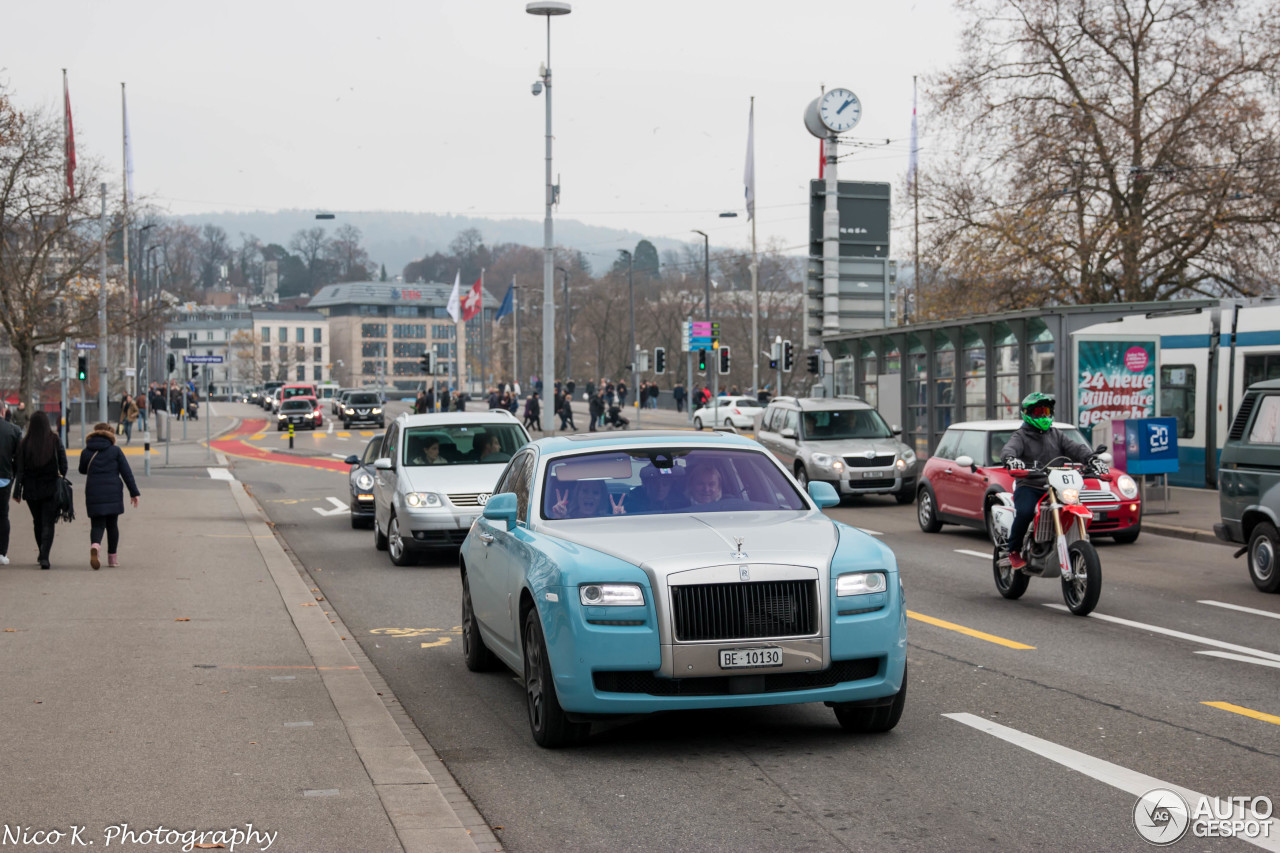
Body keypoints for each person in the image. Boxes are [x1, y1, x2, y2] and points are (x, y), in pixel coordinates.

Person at [1000, 392, 1103, 570]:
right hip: (1030, 485)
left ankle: (1077, 545)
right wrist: (1011, 459)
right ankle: (1014, 550)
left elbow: (1076, 449)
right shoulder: (1021, 436)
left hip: (1056, 487)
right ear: (1028, 413)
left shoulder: (1056, 434)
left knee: (1078, 504)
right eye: (1038, 411)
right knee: (1024, 512)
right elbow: (1009, 450)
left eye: (1046, 411)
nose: (1043, 416)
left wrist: (1092, 459)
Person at [79, 422, 141, 569]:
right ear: (111, 435)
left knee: (97, 524)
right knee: (112, 525)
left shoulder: (86, 451)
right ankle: (112, 559)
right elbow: (126, 473)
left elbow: (82, 470)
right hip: (113, 492)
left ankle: (95, 545)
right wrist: (134, 492)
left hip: (94, 491)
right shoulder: (115, 451)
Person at [12, 410, 67, 569]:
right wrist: (60, 475)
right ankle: (45, 555)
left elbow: (20, 470)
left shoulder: (24, 443)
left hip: (31, 490)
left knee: (37, 521)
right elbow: (63, 464)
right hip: (50, 488)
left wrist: (17, 492)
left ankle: (42, 552)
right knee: (48, 522)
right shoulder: (55, 440)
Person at [0, 410, 21, 565]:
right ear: (3, 411)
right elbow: (19, 457)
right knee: (2, 515)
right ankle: (2, 552)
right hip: (5, 478)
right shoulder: (13, 430)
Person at [548, 479, 625, 519]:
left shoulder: (607, 520)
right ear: (577, 494)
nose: (589, 496)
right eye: (585, 491)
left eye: (595, 492)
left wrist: (618, 519)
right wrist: (559, 517)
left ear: (601, 498)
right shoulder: (566, 518)